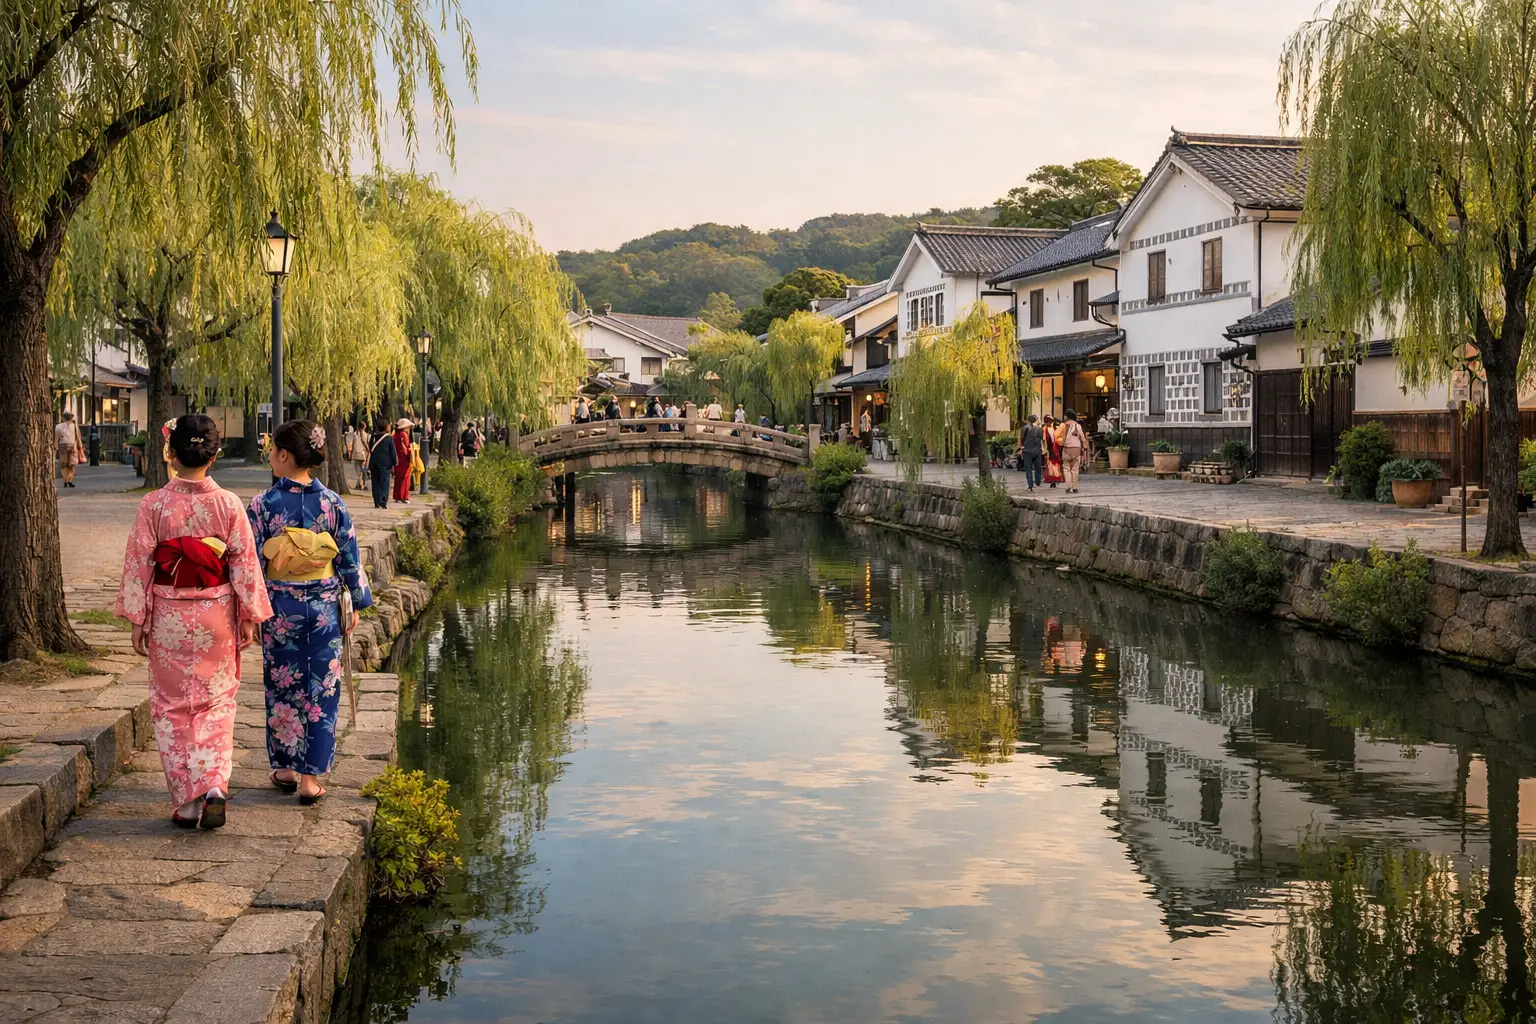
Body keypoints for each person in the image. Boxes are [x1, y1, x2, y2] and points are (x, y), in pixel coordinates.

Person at [115, 414, 272, 829]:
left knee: (171, 706)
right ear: (214, 454)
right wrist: (249, 616)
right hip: (217, 611)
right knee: (216, 702)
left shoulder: (154, 504)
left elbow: (140, 564)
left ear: (171, 453)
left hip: (169, 614)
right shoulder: (227, 504)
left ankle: (187, 802)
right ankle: (214, 784)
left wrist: (138, 617)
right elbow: (243, 562)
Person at [248, 420, 373, 806]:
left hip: (278, 609)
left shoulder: (262, 505)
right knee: (322, 690)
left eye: (272, 451)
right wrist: (357, 600)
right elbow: (349, 558)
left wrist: (250, 611)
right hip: (322, 610)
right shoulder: (333, 504)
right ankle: (310, 779)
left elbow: (251, 563)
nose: (270, 456)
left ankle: (285, 768)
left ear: (284, 456)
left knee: (282, 687)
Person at [367, 420, 396, 509]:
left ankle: (376, 501)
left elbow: (370, 447)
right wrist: (394, 463)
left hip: (374, 463)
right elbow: (392, 452)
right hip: (385, 464)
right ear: (386, 427)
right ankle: (383, 501)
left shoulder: (374, 437)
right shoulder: (389, 438)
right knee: (384, 482)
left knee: (375, 482)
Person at [1060, 409, 1088, 494]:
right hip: (1076, 448)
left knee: (1066, 468)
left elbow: (1059, 436)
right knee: (1075, 469)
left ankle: (1068, 486)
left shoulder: (1064, 425)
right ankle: (1075, 487)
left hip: (1066, 448)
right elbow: (1083, 437)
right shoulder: (1078, 425)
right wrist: (1085, 447)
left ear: (1067, 416)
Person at [55, 411, 83, 488]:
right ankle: (70, 480)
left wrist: (55, 448)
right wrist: (80, 447)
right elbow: (78, 437)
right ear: (72, 418)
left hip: (62, 447)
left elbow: (56, 438)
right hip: (73, 447)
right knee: (72, 465)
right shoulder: (75, 426)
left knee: (64, 465)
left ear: (63, 418)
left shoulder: (58, 426)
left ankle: (65, 481)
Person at [391, 419, 412, 503]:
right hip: (404, 459)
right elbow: (406, 447)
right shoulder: (404, 435)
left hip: (397, 459)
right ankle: (404, 496)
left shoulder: (395, 435)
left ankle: (397, 496)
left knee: (398, 479)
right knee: (405, 478)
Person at [1020, 415, 1044, 491]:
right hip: (1037, 451)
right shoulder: (1039, 429)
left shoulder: (1024, 428)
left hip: (1027, 451)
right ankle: (1038, 482)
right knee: (1038, 468)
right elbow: (1041, 439)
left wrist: (1021, 447)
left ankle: (1030, 486)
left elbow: (1022, 439)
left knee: (1028, 469)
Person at [1043, 415, 1065, 489]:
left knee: (1053, 464)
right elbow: (1047, 440)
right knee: (1052, 464)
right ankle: (1053, 479)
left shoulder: (1050, 429)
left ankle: (1053, 479)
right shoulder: (1047, 429)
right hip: (1050, 449)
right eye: (1051, 421)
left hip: (1053, 448)